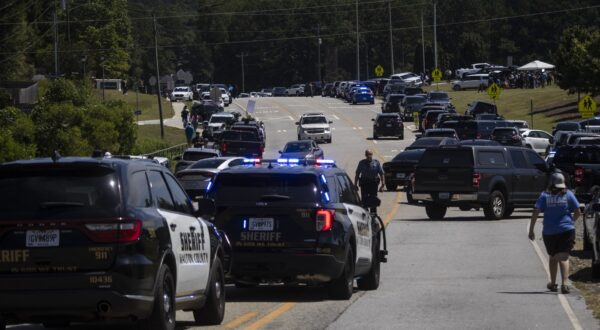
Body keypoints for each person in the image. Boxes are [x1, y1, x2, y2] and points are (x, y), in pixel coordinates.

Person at [529, 172, 581, 294]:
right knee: (564, 257)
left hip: (549, 232)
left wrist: (531, 229)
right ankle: (565, 283)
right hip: (566, 231)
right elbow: (578, 211)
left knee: (553, 256)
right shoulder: (568, 195)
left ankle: (553, 283)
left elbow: (536, 211)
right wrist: (571, 222)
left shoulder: (544, 196)